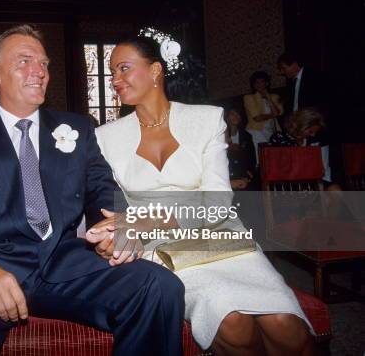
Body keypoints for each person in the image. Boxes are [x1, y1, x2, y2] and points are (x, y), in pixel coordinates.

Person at [0, 25, 185, 356]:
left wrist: (117, 223)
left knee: (158, 286)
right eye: (25, 61)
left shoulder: (77, 128)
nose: (39, 71)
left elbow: (101, 187)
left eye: (44, 64)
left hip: (60, 260)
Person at [94, 36, 314, 355]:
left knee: (285, 325)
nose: (115, 79)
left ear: (155, 70)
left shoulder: (206, 119)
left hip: (221, 235)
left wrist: (151, 219)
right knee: (232, 321)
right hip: (164, 249)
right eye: (112, 72)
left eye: (124, 68)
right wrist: (113, 234)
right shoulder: (106, 137)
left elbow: (218, 202)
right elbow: (108, 204)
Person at [269, 108, 339, 190]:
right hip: (289, 184)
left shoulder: (316, 142)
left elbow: (323, 170)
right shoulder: (280, 138)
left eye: (315, 132)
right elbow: (281, 168)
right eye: (310, 132)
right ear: (300, 126)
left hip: (312, 182)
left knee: (335, 189)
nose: (313, 135)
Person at [243, 71, 283, 164]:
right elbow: (257, 118)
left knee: (274, 159)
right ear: (253, 85)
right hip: (256, 131)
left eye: (262, 81)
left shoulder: (275, 96)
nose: (260, 84)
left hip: (273, 132)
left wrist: (268, 97)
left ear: (267, 83)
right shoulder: (249, 97)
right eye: (257, 82)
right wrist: (273, 115)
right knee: (261, 159)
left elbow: (279, 112)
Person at [225, 108, 257, 190]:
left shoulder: (246, 136)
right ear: (227, 117)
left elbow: (251, 157)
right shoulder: (221, 135)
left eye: (238, 114)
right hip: (227, 175)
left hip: (243, 175)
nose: (236, 116)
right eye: (233, 114)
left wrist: (249, 173)